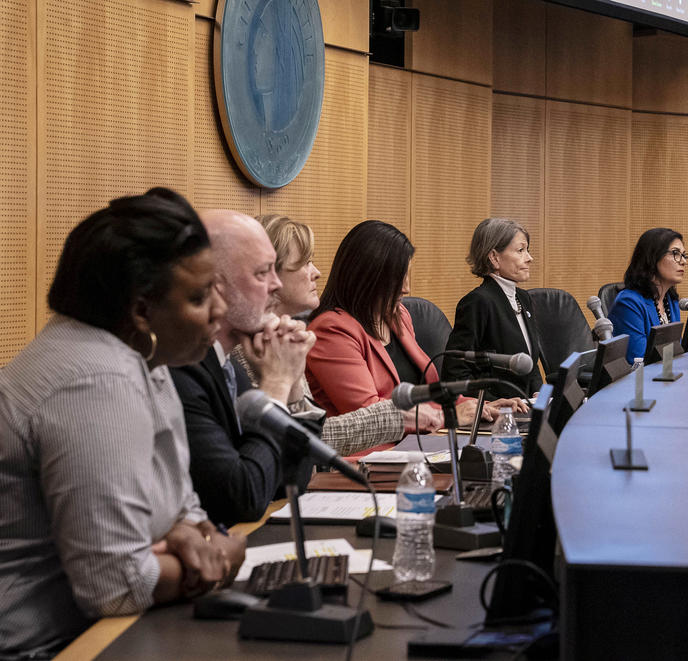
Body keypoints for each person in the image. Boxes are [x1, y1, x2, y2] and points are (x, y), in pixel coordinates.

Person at [0, 190, 245, 658]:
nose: (219, 310)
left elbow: (184, 508)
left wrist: (183, 535)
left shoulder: (145, 359)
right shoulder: (96, 381)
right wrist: (219, 561)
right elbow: (114, 586)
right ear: (140, 311)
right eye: (198, 296)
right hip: (46, 649)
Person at [170, 209, 318, 526]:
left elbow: (294, 479)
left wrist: (289, 381)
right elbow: (240, 499)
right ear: (217, 286)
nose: (276, 285)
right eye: (262, 273)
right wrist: (275, 385)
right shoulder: (180, 370)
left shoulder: (229, 366)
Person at [307, 220, 523, 424]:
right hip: (371, 456)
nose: (406, 288)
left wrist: (478, 406)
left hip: (419, 444)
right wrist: (448, 416)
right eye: (397, 278)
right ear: (367, 277)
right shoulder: (331, 330)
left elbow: (427, 394)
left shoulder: (397, 315)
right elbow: (368, 413)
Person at [236, 214, 413, 455]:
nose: (317, 272)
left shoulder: (282, 336)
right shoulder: (243, 350)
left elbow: (306, 428)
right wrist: (401, 415)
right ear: (269, 275)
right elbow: (302, 439)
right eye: (305, 262)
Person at [442, 217, 547, 400]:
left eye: (527, 250)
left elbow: (530, 364)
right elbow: (455, 373)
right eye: (521, 250)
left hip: (525, 409)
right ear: (494, 257)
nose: (530, 258)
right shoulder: (478, 302)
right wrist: (494, 403)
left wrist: (538, 392)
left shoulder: (524, 298)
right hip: (496, 416)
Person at [607, 228, 688, 364]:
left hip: (667, 376)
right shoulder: (629, 303)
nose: (683, 261)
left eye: (684, 255)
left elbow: (676, 351)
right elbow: (638, 360)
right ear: (652, 256)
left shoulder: (671, 301)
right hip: (639, 381)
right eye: (675, 253)